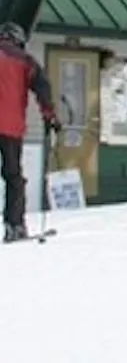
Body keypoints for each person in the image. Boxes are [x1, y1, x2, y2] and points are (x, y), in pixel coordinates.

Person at [0, 21, 59, 243]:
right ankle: (14, 226)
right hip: (10, 127)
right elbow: (43, 88)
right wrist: (49, 116)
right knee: (13, 177)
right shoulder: (25, 61)